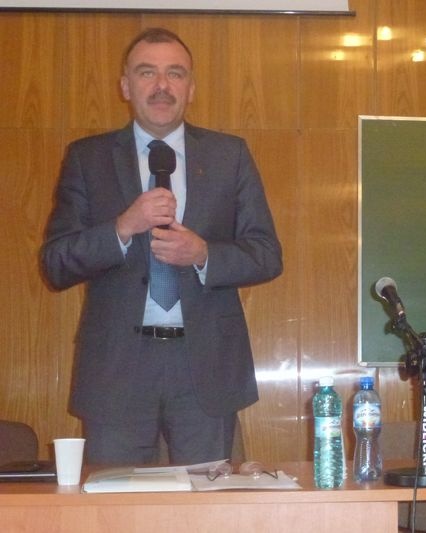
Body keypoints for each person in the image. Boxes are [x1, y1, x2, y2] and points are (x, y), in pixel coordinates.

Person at [40, 28, 282, 465]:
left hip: (205, 365)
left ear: (191, 88)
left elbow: (266, 254)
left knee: (206, 500)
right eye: (147, 72)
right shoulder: (88, 158)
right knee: (116, 500)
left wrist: (203, 255)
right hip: (117, 368)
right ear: (125, 86)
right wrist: (122, 227)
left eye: (175, 73)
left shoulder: (229, 156)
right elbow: (56, 263)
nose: (162, 86)